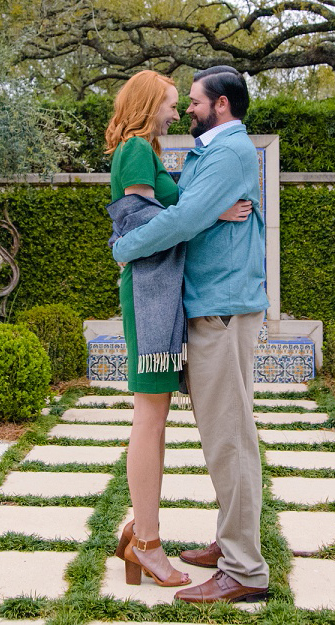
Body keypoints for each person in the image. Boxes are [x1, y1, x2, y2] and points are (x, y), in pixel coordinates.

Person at [112, 65, 270, 604]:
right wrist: (209, 209)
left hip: (224, 310)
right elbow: (185, 206)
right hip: (211, 308)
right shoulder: (207, 153)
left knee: (230, 440)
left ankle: (244, 569)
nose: (187, 111)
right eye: (179, 103)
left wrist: (124, 247)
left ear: (221, 105)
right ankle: (231, 545)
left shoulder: (227, 152)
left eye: (196, 102)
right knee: (222, 437)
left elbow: (180, 219)